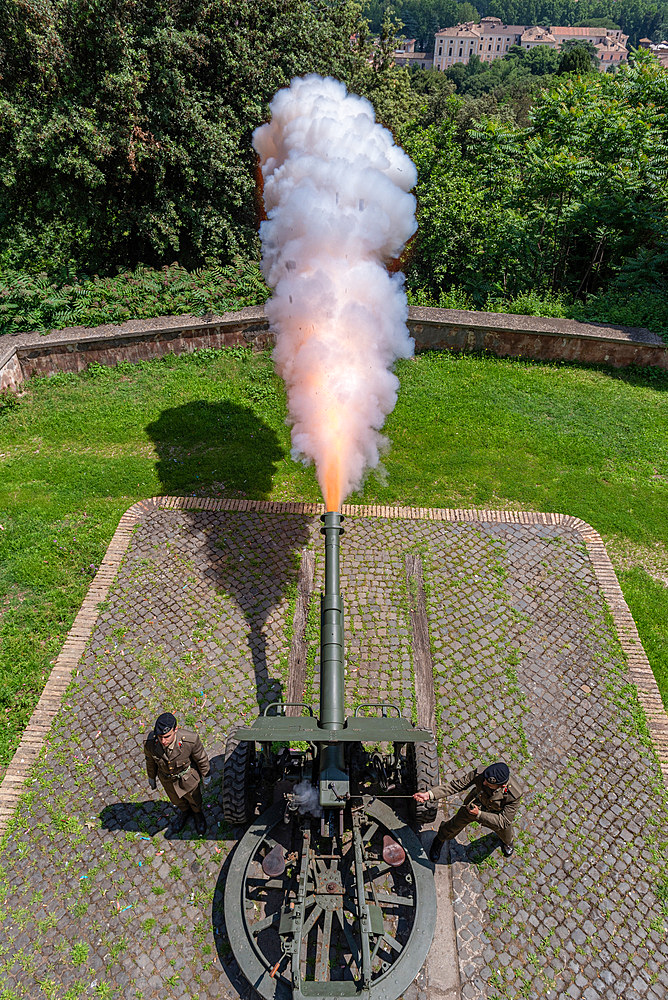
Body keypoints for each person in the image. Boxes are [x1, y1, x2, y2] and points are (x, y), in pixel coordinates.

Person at [414, 761, 522, 862]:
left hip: (496, 814)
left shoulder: (514, 794)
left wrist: (479, 814)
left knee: (506, 833)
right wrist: (430, 794)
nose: (483, 782)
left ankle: (507, 843)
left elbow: (504, 821)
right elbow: (456, 786)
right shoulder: (481, 773)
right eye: (484, 779)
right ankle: (440, 839)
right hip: (475, 804)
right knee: (453, 826)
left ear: (501, 786)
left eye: (488, 784)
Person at [144, 712, 211, 835]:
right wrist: (151, 777)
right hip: (168, 780)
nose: (163, 741)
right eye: (160, 737)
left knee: (194, 799)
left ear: (175, 729)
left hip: (188, 779)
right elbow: (150, 762)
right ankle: (185, 811)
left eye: (167, 736)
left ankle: (197, 814)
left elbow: (201, 759)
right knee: (176, 800)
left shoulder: (189, 741)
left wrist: (206, 775)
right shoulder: (151, 743)